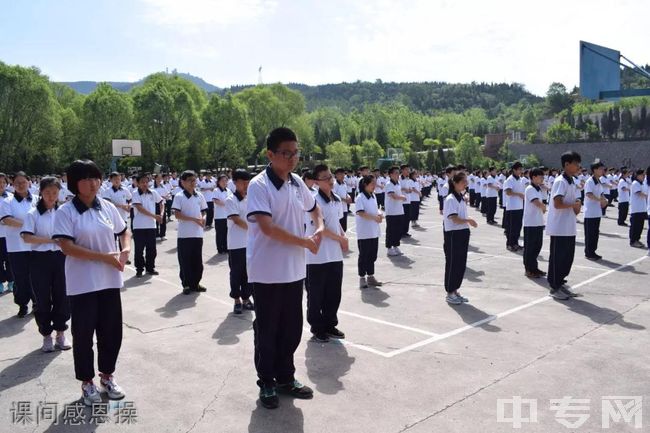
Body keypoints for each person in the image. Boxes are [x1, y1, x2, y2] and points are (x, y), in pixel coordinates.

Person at [246, 127, 324, 409]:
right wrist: (305, 241)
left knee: (291, 328)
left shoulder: (295, 183)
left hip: (294, 270)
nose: (292, 159)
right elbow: (267, 228)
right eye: (286, 153)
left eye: (296, 153)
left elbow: (314, 208)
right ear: (270, 154)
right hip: (267, 273)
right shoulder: (259, 185)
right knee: (268, 330)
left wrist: (320, 228)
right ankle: (267, 381)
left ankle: (285, 377)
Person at [53, 159, 131, 406]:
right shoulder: (66, 212)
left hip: (109, 281)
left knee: (111, 332)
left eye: (96, 177)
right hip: (83, 284)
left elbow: (123, 230)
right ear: (75, 183)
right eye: (86, 179)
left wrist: (125, 249)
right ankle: (87, 382)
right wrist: (103, 258)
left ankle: (107, 376)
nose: (93, 183)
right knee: (84, 335)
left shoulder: (106, 206)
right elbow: (66, 246)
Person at [21, 176, 71, 352]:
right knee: (42, 299)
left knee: (62, 296)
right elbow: (26, 237)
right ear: (41, 192)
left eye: (55, 193)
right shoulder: (32, 214)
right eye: (48, 192)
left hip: (61, 258)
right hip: (39, 259)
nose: (51, 196)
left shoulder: (63, 212)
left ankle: (60, 333)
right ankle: (46, 335)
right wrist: (50, 240)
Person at [305, 164, 348, 343]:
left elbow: (336, 223)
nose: (330, 180)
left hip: (334, 255)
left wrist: (343, 236)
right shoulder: (312, 201)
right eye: (325, 177)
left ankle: (330, 324)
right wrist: (339, 239)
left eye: (330, 176)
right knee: (316, 294)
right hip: (317, 256)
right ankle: (317, 327)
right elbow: (319, 229)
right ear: (316, 182)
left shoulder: (336, 199)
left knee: (333, 292)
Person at [546, 151, 583, 300]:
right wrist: (573, 204)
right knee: (558, 258)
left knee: (567, 258)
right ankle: (554, 287)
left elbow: (573, 205)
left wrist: (577, 206)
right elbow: (558, 203)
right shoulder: (560, 181)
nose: (578, 166)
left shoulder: (572, 181)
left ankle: (561, 283)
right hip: (559, 227)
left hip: (569, 226)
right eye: (576, 163)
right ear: (567, 164)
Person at [0, 171, 36, 317]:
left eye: (23, 182)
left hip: (35, 245)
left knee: (35, 276)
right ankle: (22, 304)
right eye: (17, 183)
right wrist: (30, 225)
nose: (21, 185)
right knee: (20, 278)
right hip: (16, 247)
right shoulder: (7, 202)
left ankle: (37, 302)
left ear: (29, 182)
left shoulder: (37, 199)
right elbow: (8, 220)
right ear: (12, 185)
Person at [443, 172, 477, 305]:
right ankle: (450, 292)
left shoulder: (460, 197)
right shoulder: (451, 198)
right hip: (453, 234)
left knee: (461, 263)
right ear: (455, 183)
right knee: (453, 263)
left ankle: (455, 290)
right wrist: (468, 220)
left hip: (462, 233)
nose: (466, 184)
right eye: (463, 182)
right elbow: (454, 218)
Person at [172, 170, 208, 294]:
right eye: (190, 180)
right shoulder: (179, 196)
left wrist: (203, 219)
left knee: (197, 261)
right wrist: (194, 219)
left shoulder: (199, 195)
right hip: (185, 235)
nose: (193, 183)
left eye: (194, 180)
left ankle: (196, 283)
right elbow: (177, 214)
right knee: (185, 260)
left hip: (197, 234)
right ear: (183, 182)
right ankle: (186, 284)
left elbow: (204, 211)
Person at [225, 170, 254, 314]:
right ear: (236, 183)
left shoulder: (251, 198)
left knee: (248, 273)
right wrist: (253, 229)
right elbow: (236, 220)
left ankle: (246, 298)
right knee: (236, 272)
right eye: (243, 182)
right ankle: (236, 299)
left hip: (250, 243)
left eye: (248, 182)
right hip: (236, 244)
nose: (246, 185)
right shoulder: (231, 200)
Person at [131, 173, 164, 277]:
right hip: (139, 226)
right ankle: (139, 269)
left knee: (152, 249)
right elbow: (140, 208)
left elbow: (161, 202)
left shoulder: (153, 192)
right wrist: (155, 216)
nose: (145, 184)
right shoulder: (135, 193)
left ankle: (150, 268)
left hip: (151, 226)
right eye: (142, 182)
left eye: (146, 182)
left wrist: (161, 214)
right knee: (139, 249)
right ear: (138, 183)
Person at [355, 174, 383, 289]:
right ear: (365, 184)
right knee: (364, 256)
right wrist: (374, 218)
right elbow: (361, 213)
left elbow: (375, 209)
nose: (374, 186)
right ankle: (362, 278)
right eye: (372, 184)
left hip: (374, 231)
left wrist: (379, 214)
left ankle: (371, 276)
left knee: (372, 255)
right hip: (364, 232)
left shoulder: (373, 196)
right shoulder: (360, 197)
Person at [522, 168, 547, 278]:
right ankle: (529, 269)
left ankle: (534, 268)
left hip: (538, 221)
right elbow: (536, 202)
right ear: (533, 177)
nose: (542, 178)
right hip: (531, 223)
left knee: (537, 246)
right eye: (540, 176)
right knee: (530, 247)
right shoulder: (530, 188)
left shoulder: (538, 189)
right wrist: (543, 207)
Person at [583, 162, 608, 260]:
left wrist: (604, 199)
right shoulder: (590, 181)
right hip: (590, 213)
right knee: (590, 234)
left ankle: (593, 251)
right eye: (601, 169)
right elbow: (589, 194)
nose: (602, 170)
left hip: (597, 212)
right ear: (595, 170)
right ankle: (589, 253)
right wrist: (600, 200)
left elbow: (601, 193)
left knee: (595, 234)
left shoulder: (599, 181)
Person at [384, 166, 407, 256]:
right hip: (391, 211)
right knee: (391, 230)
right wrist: (402, 197)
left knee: (398, 230)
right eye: (396, 173)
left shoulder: (398, 183)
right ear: (390, 174)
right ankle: (389, 248)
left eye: (398, 173)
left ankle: (396, 245)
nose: (398, 175)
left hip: (399, 210)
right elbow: (393, 196)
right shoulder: (389, 184)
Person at [504, 162, 525, 251]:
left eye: (521, 169)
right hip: (512, 207)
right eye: (519, 169)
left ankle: (515, 243)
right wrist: (518, 194)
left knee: (518, 227)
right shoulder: (510, 180)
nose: (521, 171)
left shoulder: (520, 179)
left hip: (519, 206)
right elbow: (508, 192)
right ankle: (509, 244)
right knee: (511, 227)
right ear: (514, 170)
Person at [0, 173, 13, 294]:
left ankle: (11, 281)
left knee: (9, 260)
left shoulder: (10, 197)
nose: (1, 185)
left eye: (4, 182)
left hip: (8, 235)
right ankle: (0, 282)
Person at [629, 169, 647, 248]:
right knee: (635, 226)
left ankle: (637, 239)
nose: (644, 176)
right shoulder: (635, 183)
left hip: (642, 208)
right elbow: (639, 193)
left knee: (640, 226)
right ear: (637, 175)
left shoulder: (641, 184)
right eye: (642, 175)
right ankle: (633, 241)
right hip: (636, 209)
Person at [212, 174, 231, 254]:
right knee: (220, 233)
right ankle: (220, 248)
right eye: (222, 181)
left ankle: (226, 247)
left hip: (227, 216)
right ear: (218, 182)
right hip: (219, 216)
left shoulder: (228, 190)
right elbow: (216, 201)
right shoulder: (216, 190)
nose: (224, 182)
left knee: (227, 233)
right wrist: (227, 204)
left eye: (226, 180)